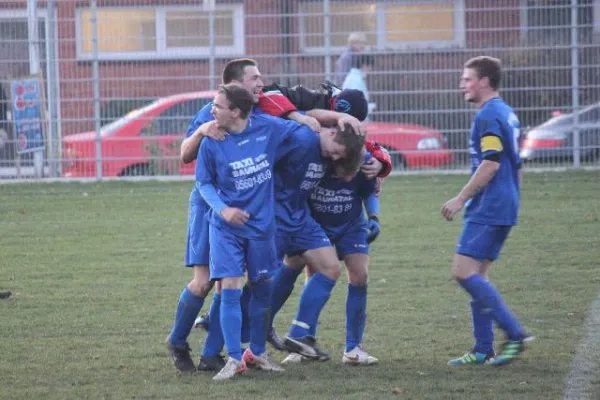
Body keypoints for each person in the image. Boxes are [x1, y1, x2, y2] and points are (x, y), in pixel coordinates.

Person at [169, 57, 368, 373]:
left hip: (262, 215)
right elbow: (185, 157)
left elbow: (298, 110)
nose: (262, 84)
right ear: (236, 85)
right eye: (255, 78)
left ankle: (234, 349)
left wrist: (376, 163)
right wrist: (203, 132)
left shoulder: (265, 120)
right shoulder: (213, 115)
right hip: (212, 206)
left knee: (251, 281)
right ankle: (180, 342)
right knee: (207, 282)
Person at [441, 56, 533, 367]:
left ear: (484, 81)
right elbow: (514, 164)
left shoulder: (488, 115)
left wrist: (460, 198)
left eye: (467, 79)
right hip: (503, 203)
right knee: (479, 275)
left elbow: (491, 162)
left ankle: (515, 333)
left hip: (489, 205)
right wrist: (513, 199)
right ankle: (482, 349)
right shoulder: (505, 112)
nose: (462, 84)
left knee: (462, 271)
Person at [281, 152, 381, 365]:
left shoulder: (365, 161)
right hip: (315, 224)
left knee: (360, 275)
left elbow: (370, 191)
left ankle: (353, 348)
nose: (348, 178)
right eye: (344, 173)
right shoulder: (316, 159)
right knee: (314, 273)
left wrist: (374, 217)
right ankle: (304, 344)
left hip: (351, 225)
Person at [342, 54, 375, 120]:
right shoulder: (356, 80)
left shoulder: (355, 77)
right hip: (356, 120)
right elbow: (356, 104)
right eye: (370, 67)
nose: (370, 70)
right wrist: (369, 107)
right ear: (365, 66)